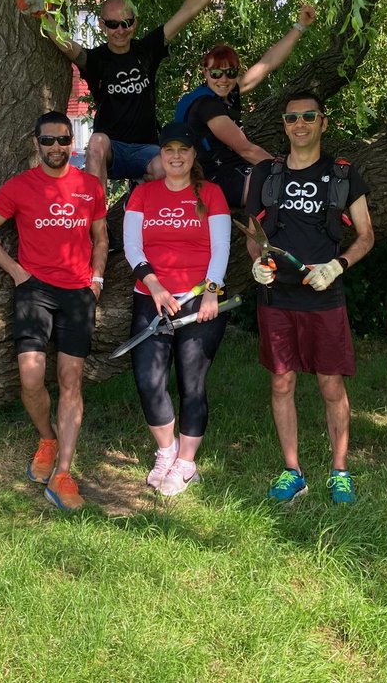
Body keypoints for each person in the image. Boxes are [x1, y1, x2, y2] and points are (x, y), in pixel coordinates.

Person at [0, 112, 108, 511]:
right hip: (35, 290)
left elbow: (100, 237)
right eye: (47, 141)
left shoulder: (89, 187)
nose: (55, 148)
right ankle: (47, 438)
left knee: (71, 378)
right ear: (36, 143)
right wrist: (16, 270)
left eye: (63, 140)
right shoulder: (19, 186)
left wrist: (97, 279)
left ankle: (63, 472)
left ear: (72, 143)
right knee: (31, 378)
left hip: (78, 292)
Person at [244, 91, 374, 505]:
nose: (300, 124)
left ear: (323, 122)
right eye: (292, 118)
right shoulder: (266, 173)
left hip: (324, 296)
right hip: (276, 298)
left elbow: (366, 235)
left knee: (330, 385)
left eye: (309, 116)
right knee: (281, 382)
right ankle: (292, 470)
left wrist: (338, 265)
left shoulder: (342, 175)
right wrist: (258, 262)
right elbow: (254, 237)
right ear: (284, 125)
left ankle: (339, 471)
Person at [46, 0, 232, 192]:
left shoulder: (147, 50)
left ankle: (146, 208)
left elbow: (187, 12)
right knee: (95, 143)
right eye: (113, 24)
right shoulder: (95, 60)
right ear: (102, 25)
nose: (120, 30)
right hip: (112, 149)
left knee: (167, 167)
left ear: (135, 24)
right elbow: (65, 45)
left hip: (146, 149)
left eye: (126, 23)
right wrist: (42, 16)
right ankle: (96, 223)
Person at [124, 122, 231, 496]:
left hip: (200, 299)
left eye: (183, 149)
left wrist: (211, 292)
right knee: (148, 379)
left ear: (193, 155)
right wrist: (154, 286)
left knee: (192, 382)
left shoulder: (212, 194)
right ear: (160, 154)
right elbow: (132, 249)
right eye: (168, 149)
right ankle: (166, 453)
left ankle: (186, 464)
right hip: (151, 297)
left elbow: (221, 249)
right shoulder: (142, 194)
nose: (175, 156)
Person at [175, 5, 317, 208]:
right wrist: (288, 171)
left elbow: (268, 63)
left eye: (230, 73)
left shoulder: (229, 92)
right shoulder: (207, 105)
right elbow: (246, 149)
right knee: (282, 186)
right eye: (216, 73)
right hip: (211, 179)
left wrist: (300, 26)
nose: (223, 79)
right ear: (205, 72)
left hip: (236, 170)